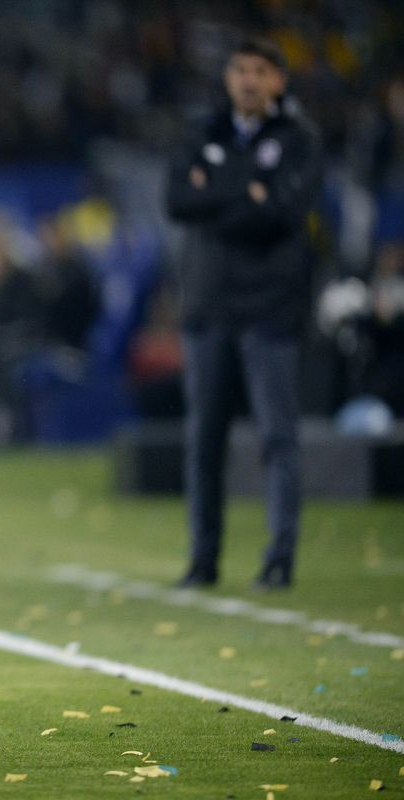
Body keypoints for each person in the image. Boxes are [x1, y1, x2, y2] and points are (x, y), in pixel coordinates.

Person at [164, 36, 322, 590]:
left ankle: (280, 559)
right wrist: (248, 191)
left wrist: (220, 192)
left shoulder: (299, 141)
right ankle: (202, 560)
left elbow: (283, 213)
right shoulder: (200, 132)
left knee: (278, 437)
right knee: (204, 442)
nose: (249, 80)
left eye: (261, 71)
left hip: (270, 309)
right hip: (207, 309)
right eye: (240, 70)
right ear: (228, 78)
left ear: (279, 80)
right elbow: (177, 201)